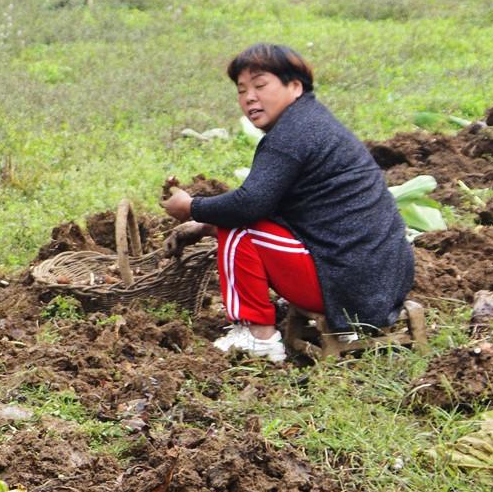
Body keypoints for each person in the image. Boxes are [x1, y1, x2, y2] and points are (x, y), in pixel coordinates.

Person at [161, 43, 414, 362]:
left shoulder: (291, 136)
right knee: (237, 222)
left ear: (294, 87)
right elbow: (274, 206)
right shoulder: (310, 122)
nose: (249, 97)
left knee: (240, 229)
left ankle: (257, 335)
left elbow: (248, 206)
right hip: (379, 281)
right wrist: (202, 224)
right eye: (242, 90)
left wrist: (191, 206)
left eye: (260, 85)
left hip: (347, 285)